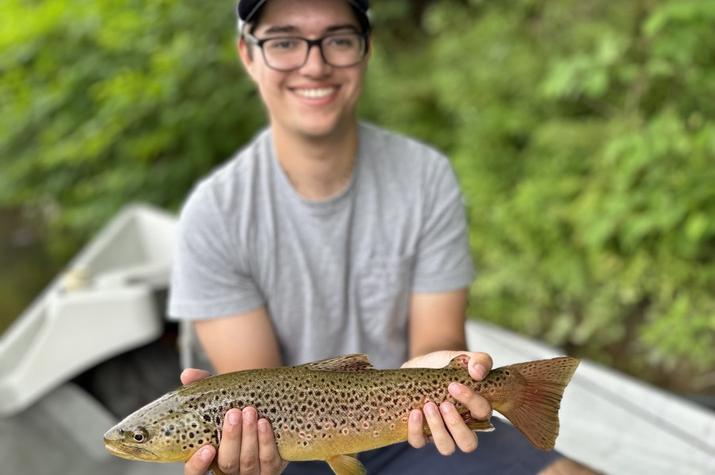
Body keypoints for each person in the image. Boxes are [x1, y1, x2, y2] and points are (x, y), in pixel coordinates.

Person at [169, 1, 591, 473]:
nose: (315, 64)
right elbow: (257, 388)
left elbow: (438, 339)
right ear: (248, 55)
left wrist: (449, 376)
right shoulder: (212, 214)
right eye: (284, 41)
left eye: (338, 40)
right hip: (287, 454)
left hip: (420, 428)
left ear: (366, 51)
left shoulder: (425, 176)